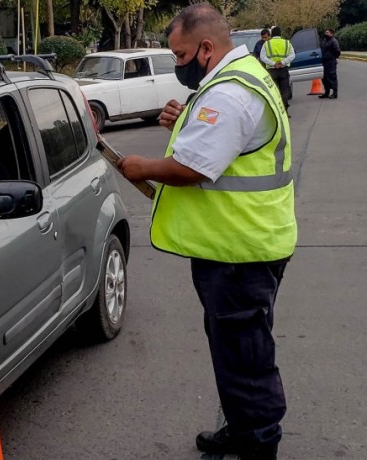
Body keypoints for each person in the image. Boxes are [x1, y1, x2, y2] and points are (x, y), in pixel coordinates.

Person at [116, 3, 295, 460]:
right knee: (236, 349)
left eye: (179, 56)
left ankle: (257, 442)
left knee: (246, 357)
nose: (178, 65)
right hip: (238, 245)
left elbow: (192, 167)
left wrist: (141, 166)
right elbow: (227, 144)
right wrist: (184, 119)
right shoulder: (236, 78)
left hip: (239, 252)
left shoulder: (230, 93)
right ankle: (242, 428)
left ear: (206, 47)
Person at [260, 27, 294, 115]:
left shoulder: (266, 44)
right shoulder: (287, 43)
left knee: (274, 92)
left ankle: (276, 112)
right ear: (280, 34)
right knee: (284, 91)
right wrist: (282, 62)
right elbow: (292, 55)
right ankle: (285, 111)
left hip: (272, 71)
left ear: (271, 34)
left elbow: (262, 57)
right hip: (283, 70)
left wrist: (273, 63)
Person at [319, 28, 341, 99]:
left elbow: (337, 51)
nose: (326, 33)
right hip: (324, 62)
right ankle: (326, 92)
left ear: (331, 34)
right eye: (325, 32)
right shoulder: (324, 41)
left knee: (332, 77)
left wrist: (333, 57)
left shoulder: (333, 41)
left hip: (331, 62)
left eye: (327, 32)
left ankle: (335, 93)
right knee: (324, 78)